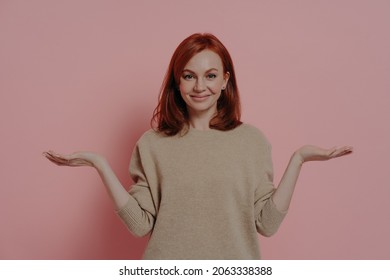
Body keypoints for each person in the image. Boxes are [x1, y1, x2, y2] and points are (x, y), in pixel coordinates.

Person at [43, 33, 353, 259]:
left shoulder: (251, 142)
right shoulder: (153, 145)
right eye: (189, 76)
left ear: (225, 81)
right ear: (177, 83)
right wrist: (100, 164)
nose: (200, 86)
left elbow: (266, 224)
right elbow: (139, 226)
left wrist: (298, 160)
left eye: (210, 75)